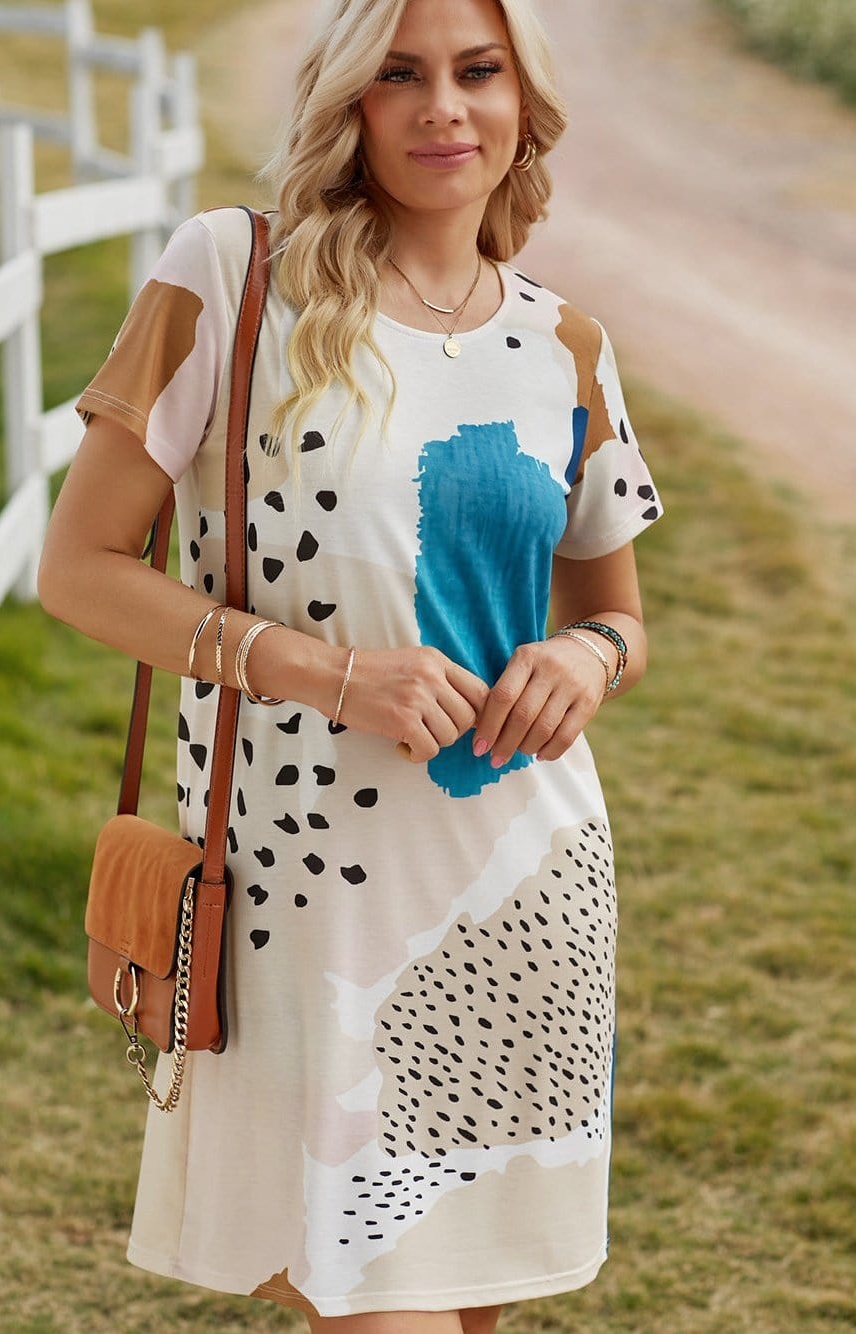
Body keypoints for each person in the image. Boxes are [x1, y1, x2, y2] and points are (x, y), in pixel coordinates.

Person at [37, 0, 663, 1328]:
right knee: (380, 1302)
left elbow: (618, 610)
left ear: (521, 104)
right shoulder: (232, 275)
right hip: (307, 890)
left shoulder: (567, 344)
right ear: (348, 105)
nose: (443, 105)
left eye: (476, 72)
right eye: (400, 75)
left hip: (524, 881)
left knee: (470, 1299)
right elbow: (79, 566)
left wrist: (582, 659)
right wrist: (325, 674)